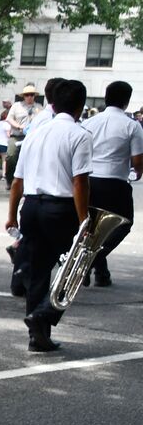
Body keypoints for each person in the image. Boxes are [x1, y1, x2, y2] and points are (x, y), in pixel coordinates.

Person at [8, 79, 91, 352]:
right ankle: (44, 314)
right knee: (73, 270)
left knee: (39, 272)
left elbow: (17, 181)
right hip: (60, 208)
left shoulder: (35, 133)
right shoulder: (79, 135)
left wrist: (12, 216)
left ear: (53, 103)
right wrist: (84, 221)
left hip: (31, 206)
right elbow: (79, 182)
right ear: (80, 106)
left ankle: (38, 336)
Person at [80, 80, 143, 287]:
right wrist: (138, 171)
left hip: (89, 179)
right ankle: (94, 258)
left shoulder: (89, 123)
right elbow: (137, 162)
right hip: (115, 181)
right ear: (126, 102)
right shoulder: (132, 126)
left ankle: (101, 272)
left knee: (91, 226)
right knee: (123, 223)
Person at [4, 84, 42, 187]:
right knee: (11, 156)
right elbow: (9, 119)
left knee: (34, 159)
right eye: (27, 95)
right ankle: (9, 179)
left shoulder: (39, 108)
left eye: (32, 95)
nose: (29, 97)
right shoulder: (17, 106)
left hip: (32, 137)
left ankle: (29, 182)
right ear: (23, 96)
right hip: (17, 136)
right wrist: (19, 127)